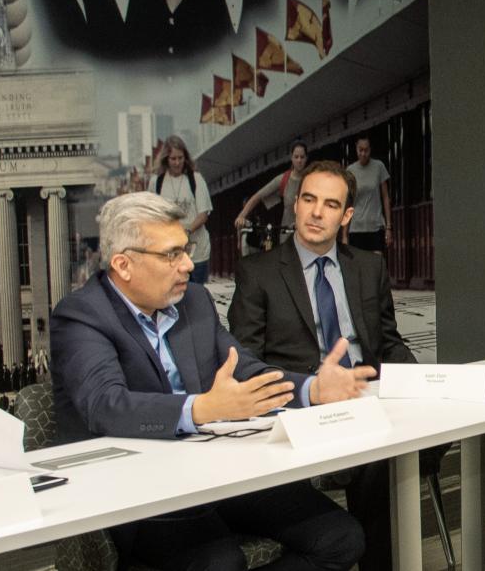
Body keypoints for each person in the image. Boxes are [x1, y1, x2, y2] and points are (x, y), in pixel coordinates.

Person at [49, 190, 374, 571]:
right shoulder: (82, 316)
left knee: (340, 537)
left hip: (216, 472)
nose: (188, 264)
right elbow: (105, 406)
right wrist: (201, 409)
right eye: (172, 254)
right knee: (219, 563)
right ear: (123, 264)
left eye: (185, 250)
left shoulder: (194, 302)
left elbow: (245, 370)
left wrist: (311, 389)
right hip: (138, 490)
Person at [229, 160, 419, 571]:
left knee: (388, 449)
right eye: (309, 200)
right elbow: (245, 364)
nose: (317, 212)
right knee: (377, 457)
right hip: (298, 410)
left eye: (331, 204)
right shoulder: (257, 273)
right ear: (295, 205)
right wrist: (310, 389)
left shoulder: (369, 268)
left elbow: (388, 344)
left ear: (347, 215)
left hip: (365, 401)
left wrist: (426, 385)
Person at [151, 135, 213, 283]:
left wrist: (187, 231)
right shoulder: (157, 182)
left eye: (180, 158)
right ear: (166, 159)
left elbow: (203, 214)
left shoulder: (196, 179)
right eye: (173, 158)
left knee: (197, 293)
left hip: (197, 252)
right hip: (170, 252)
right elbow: (153, 215)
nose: (177, 162)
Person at [233, 140, 309, 241]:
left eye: (302, 157)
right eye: (296, 157)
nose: (299, 160)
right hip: (288, 237)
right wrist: (242, 216)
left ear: (306, 158)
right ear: (291, 158)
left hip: (308, 237)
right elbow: (257, 196)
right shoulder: (284, 179)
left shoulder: (312, 179)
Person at [345, 137, 391, 252]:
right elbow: (348, 202)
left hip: (376, 226)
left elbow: (385, 197)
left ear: (370, 150)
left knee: (376, 265)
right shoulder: (350, 171)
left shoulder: (379, 167)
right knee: (360, 266)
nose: (363, 153)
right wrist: (344, 234)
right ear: (356, 149)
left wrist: (388, 227)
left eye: (366, 150)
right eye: (360, 150)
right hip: (356, 228)